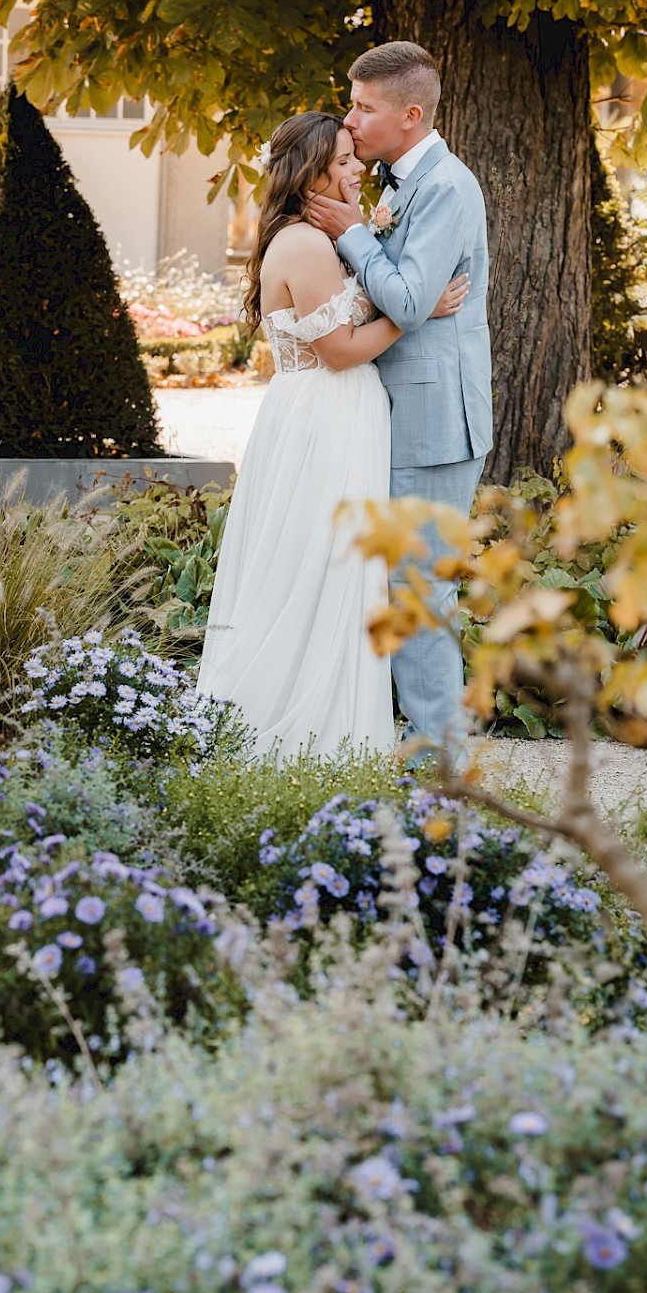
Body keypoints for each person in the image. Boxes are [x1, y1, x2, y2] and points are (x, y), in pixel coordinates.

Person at [197, 111, 469, 759]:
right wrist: (416, 311)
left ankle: (332, 733)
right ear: (310, 171)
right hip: (324, 418)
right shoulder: (305, 245)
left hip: (337, 416)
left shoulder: (316, 239)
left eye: (355, 158)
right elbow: (342, 351)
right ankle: (304, 736)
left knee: (338, 570)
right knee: (319, 568)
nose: (358, 170)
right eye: (343, 160)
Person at [306, 42, 492, 764]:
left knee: (420, 596)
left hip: (435, 424)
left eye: (363, 107)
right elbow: (410, 301)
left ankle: (442, 769)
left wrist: (352, 233)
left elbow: (411, 301)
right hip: (398, 415)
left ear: (410, 115)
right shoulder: (394, 182)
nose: (350, 122)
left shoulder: (445, 186)